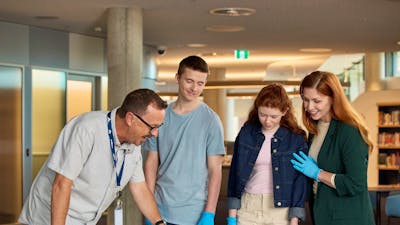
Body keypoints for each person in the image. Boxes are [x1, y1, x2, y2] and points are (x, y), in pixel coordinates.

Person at [19, 89, 168, 225]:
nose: (155, 134)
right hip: (48, 218)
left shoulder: (134, 142)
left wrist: (159, 223)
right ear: (130, 119)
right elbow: (62, 184)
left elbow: (140, 187)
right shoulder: (86, 129)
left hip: (86, 220)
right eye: (152, 126)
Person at [143, 55, 225, 225]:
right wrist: (148, 206)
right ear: (177, 78)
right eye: (189, 81)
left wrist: (209, 213)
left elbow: (215, 171)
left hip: (195, 213)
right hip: (160, 210)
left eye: (200, 83)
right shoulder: (160, 116)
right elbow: (151, 162)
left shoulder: (211, 120)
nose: (194, 88)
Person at [290, 71, 375, 225]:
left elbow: (355, 183)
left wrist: (318, 173)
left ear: (333, 98)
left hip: (348, 218)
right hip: (322, 214)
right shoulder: (315, 129)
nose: (310, 107)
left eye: (317, 101)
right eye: (306, 100)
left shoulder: (349, 130)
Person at [226, 84, 309, 225]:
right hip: (248, 207)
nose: (267, 121)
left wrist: (294, 219)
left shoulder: (296, 139)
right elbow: (235, 173)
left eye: (274, 116)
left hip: (280, 211)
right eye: (262, 114)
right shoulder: (246, 133)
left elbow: (299, 180)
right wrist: (232, 217)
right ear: (257, 108)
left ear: (285, 111)